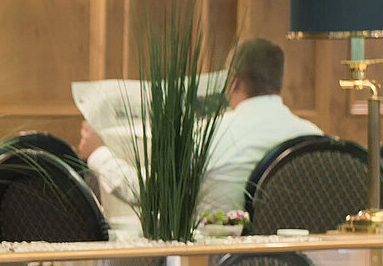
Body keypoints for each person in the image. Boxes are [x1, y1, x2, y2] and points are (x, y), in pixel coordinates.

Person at [79, 37, 323, 223]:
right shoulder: (315, 138)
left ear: (233, 80)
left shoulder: (211, 135)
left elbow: (152, 193)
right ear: (278, 81)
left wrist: (98, 153)